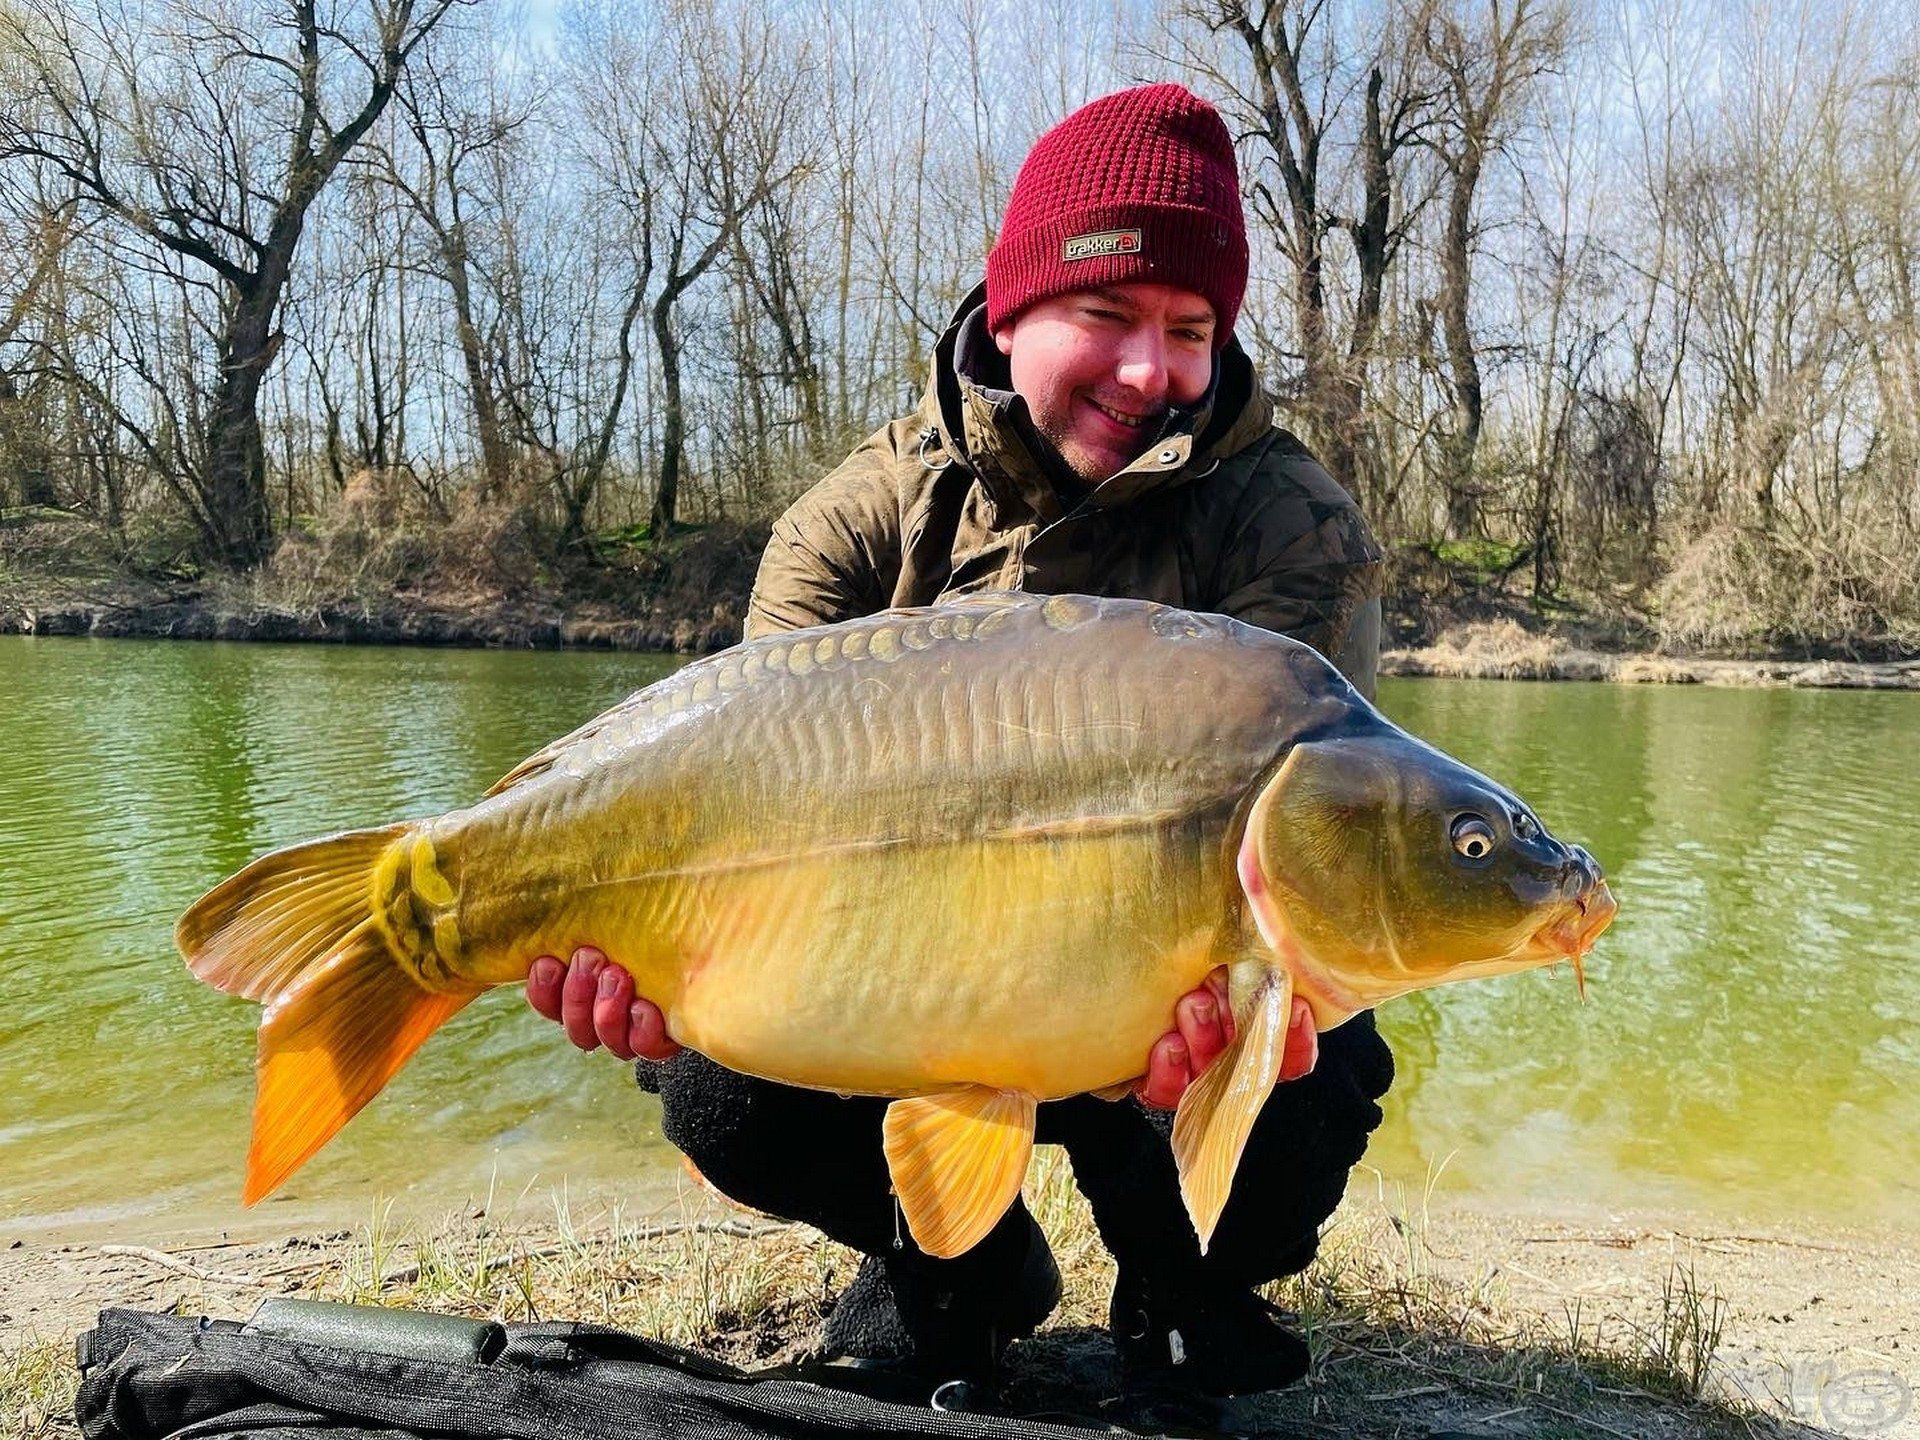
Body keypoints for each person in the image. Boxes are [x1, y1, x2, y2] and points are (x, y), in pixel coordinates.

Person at [525, 83, 1394, 1409]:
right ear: (1011, 310)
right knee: (711, 1079)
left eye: (1189, 328)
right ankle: (956, 1263)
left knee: (1309, 1048)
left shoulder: (1291, 529)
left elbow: (1331, 804)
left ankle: (1183, 1286)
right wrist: (656, 975)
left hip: (1145, 981)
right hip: (896, 979)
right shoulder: (855, 526)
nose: (1150, 369)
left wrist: (1233, 1014)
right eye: (1106, 315)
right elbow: (730, 812)